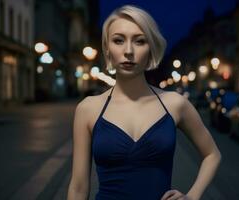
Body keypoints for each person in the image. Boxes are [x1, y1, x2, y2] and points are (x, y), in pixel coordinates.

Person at [67, 5, 221, 200]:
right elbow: (78, 188)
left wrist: (192, 196)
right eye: (118, 40)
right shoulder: (88, 109)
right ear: (107, 49)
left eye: (139, 41)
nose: (128, 51)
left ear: (151, 49)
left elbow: (212, 154)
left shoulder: (174, 104)